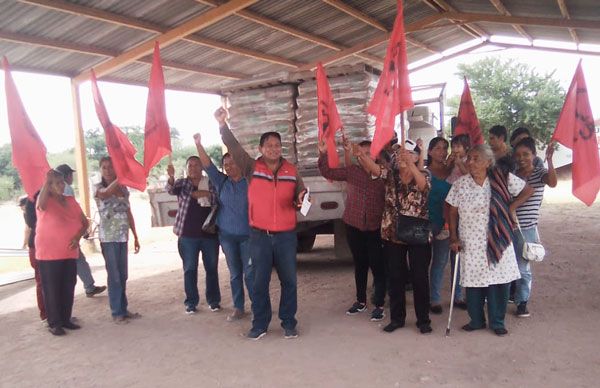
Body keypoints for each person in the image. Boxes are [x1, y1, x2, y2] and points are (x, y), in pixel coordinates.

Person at [215, 107, 307, 340]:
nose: (274, 149)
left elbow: (301, 194)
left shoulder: (291, 171)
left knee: (289, 282)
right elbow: (234, 147)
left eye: (277, 145)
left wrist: (301, 199)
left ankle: (288, 322)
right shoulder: (251, 167)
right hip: (259, 236)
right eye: (269, 145)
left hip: (286, 236)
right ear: (261, 149)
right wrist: (222, 125)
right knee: (259, 282)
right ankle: (260, 324)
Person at [446, 144, 533, 336]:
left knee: (499, 283)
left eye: (476, 158)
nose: (470, 162)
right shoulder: (461, 184)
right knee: (473, 283)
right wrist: (453, 237)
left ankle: (497, 322)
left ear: (488, 162)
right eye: (469, 158)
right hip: (471, 241)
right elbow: (452, 211)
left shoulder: (502, 178)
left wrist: (512, 207)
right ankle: (476, 320)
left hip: (498, 239)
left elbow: (527, 190)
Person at [356, 138, 433, 335]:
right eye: (398, 153)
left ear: (416, 157)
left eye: (406, 153)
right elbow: (374, 169)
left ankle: (423, 319)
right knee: (396, 277)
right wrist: (360, 155)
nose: (401, 156)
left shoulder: (424, 173)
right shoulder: (390, 174)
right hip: (392, 233)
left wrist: (413, 165)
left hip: (418, 234)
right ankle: (397, 319)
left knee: (420, 278)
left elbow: (423, 186)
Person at [318, 138, 386, 321]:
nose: (364, 156)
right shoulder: (352, 172)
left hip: (375, 226)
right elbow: (327, 171)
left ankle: (379, 304)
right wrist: (323, 153)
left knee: (378, 266)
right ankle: (361, 301)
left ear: (376, 155)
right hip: (354, 225)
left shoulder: (383, 174)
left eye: (368, 153)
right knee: (360, 264)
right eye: (361, 153)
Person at [193, 133, 253, 321]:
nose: (228, 167)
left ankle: (258, 305)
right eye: (225, 165)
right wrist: (198, 144)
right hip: (227, 236)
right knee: (235, 274)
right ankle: (238, 307)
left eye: (232, 163)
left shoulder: (250, 182)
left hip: (249, 236)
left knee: (250, 274)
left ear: (240, 164)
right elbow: (207, 164)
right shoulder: (221, 182)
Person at [35, 170, 89, 335]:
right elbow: (41, 205)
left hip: (69, 251)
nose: (61, 185)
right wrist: (46, 180)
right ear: (49, 186)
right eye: (56, 182)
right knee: (51, 288)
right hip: (48, 253)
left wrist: (78, 237)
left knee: (68, 286)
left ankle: (66, 319)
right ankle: (55, 323)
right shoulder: (45, 201)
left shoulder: (71, 200)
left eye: (61, 181)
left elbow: (84, 222)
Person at [167, 155, 221, 315]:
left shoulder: (210, 181)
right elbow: (170, 190)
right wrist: (170, 176)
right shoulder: (181, 183)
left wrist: (197, 193)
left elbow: (216, 198)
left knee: (211, 268)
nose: (193, 168)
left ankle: (214, 301)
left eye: (197, 165)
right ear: (186, 168)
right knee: (189, 269)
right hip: (187, 235)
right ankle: (191, 302)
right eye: (190, 165)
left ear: (202, 168)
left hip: (209, 234)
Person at [513, 138, 557, 318]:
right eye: (518, 155)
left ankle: (522, 302)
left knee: (523, 267)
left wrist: (550, 160)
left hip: (527, 228)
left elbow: (553, 182)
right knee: (510, 264)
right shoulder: (514, 173)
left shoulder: (540, 173)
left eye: (526, 154)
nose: (522, 158)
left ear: (533, 155)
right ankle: (510, 296)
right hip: (510, 225)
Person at [94, 157, 141, 324]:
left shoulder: (123, 188)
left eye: (110, 167)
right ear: (100, 170)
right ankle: (116, 312)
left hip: (122, 236)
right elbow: (105, 194)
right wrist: (120, 177)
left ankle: (123, 308)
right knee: (114, 275)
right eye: (104, 167)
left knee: (122, 275)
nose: (107, 170)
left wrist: (135, 235)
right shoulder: (98, 187)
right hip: (108, 238)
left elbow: (128, 212)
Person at [425, 137, 466, 315]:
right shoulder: (426, 173)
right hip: (433, 222)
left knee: (456, 260)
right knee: (439, 261)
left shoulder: (453, 170)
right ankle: (434, 299)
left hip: (453, 222)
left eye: (445, 148)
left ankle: (458, 296)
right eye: (438, 148)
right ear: (430, 151)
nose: (442, 152)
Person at [55, 164, 106, 298]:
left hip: (61, 232)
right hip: (69, 232)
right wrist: (82, 231)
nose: (72, 177)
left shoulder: (55, 189)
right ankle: (88, 286)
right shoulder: (66, 188)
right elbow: (73, 213)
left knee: (75, 261)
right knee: (77, 260)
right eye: (71, 175)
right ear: (66, 176)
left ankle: (88, 285)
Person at [22, 193, 46, 323]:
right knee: (42, 281)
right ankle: (46, 314)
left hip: (54, 246)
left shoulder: (54, 196)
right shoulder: (31, 200)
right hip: (38, 246)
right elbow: (31, 222)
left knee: (58, 282)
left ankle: (60, 313)